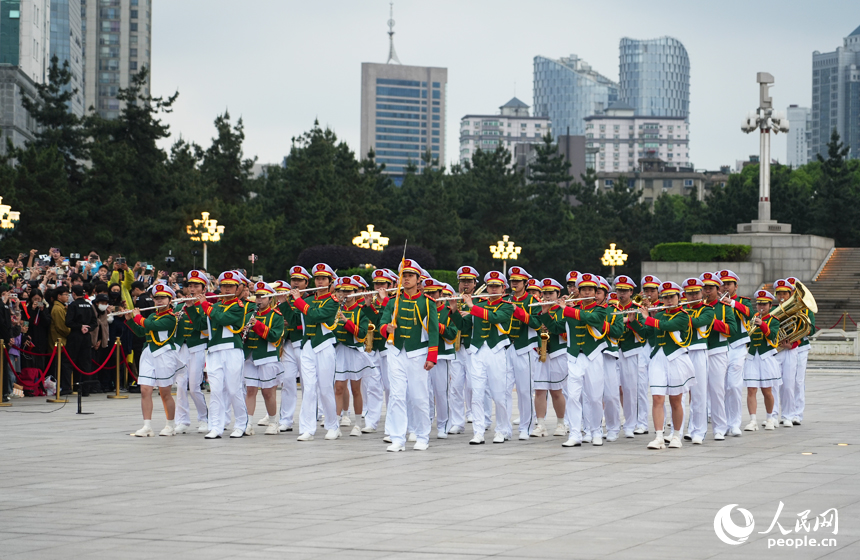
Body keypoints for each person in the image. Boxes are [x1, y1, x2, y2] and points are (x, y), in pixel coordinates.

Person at [379, 259, 439, 451]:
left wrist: (432, 357)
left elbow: (434, 331)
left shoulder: (427, 302)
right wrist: (386, 328)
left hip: (418, 353)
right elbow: (383, 321)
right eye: (403, 275)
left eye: (410, 276)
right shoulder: (393, 300)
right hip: (395, 351)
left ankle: (422, 436)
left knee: (419, 396)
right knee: (396, 396)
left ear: (418, 279)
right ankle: (397, 438)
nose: (406, 279)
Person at [637, 281, 696, 450]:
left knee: (675, 400)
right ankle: (659, 437)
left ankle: (676, 435)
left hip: (676, 358)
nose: (669, 301)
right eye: (666, 297)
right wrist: (635, 321)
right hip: (658, 358)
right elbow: (647, 334)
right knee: (657, 398)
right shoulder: (659, 315)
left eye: (672, 297)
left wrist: (648, 317)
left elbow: (668, 326)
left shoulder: (683, 315)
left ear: (679, 297)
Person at [461, 270, 512, 445]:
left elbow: (494, 317)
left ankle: (502, 430)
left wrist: (471, 307)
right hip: (477, 351)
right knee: (477, 394)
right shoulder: (478, 304)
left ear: (503, 288)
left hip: (496, 351)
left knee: (499, 395)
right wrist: (453, 309)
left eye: (496, 286)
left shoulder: (506, 305)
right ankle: (478, 431)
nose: (492, 290)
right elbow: (464, 326)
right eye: (490, 286)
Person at [290, 263, 339, 441]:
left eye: (323, 279)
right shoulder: (308, 299)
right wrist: (283, 302)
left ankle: (333, 425)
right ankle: (307, 428)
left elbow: (316, 315)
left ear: (330, 281)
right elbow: (294, 319)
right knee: (308, 388)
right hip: (307, 346)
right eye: (317, 278)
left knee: (325, 389)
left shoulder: (333, 302)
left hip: (324, 345)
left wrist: (298, 301)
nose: (319, 281)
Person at [197, 271, 249, 439]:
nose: (227, 290)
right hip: (214, 351)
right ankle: (215, 426)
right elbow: (200, 324)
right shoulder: (215, 305)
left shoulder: (238, 306)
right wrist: (193, 307)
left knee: (234, 390)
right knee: (216, 391)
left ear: (237, 288)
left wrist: (205, 305)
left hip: (232, 350)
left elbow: (223, 319)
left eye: (230, 286)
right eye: (224, 286)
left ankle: (241, 424)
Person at [127, 284, 180, 437]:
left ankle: (170, 425)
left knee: (165, 392)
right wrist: (130, 320)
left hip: (164, 355)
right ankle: (147, 426)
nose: (159, 301)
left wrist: (137, 317)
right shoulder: (151, 315)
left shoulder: (171, 318)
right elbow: (141, 331)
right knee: (145, 390)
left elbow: (152, 325)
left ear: (170, 300)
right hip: (149, 353)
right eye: (156, 298)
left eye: (162, 298)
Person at [560, 273, 607, 446]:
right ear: (578, 291)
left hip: (593, 356)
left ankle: (595, 431)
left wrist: (568, 309)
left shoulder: (600, 309)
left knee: (594, 397)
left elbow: (593, 319)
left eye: (590, 289)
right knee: (572, 396)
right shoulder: (571, 308)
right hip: (573, 356)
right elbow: (557, 327)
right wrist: (545, 313)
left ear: (595, 291)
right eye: (584, 290)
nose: (587, 292)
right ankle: (574, 433)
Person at [243, 282, 285, 436]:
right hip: (250, 356)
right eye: (257, 297)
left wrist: (257, 325)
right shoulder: (249, 315)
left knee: (268, 392)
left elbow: (274, 337)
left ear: (270, 298)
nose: (259, 300)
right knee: (250, 390)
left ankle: (273, 422)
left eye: (263, 297)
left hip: (267, 357)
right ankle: (248, 424)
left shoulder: (276, 316)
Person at [505, 266, 541, 440]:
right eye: (512, 281)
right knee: (503, 389)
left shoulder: (532, 300)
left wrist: (517, 311)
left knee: (524, 390)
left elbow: (536, 323)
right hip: (505, 346)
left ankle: (525, 427)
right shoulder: (506, 299)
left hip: (524, 347)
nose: (514, 284)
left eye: (518, 281)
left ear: (525, 283)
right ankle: (503, 428)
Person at [272, 267, 310, 432]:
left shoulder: (310, 299)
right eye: (293, 279)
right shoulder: (284, 298)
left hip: (303, 343)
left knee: (308, 383)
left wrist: (290, 321)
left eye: (299, 280)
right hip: (287, 344)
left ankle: (308, 418)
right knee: (287, 382)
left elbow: (305, 322)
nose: (295, 282)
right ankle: (286, 419)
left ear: (306, 283)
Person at [173, 270, 210, 434]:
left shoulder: (206, 306)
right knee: (180, 385)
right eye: (190, 286)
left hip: (197, 347)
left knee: (194, 386)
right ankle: (182, 421)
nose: (192, 289)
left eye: (196, 286)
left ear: (203, 288)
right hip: (182, 348)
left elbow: (202, 326)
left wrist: (191, 308)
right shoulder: (179, 305)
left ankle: (204, 419)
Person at [700, 272, 735, 440]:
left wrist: (712, 321)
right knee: (697, 391)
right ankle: (696, 428)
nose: (707, 291)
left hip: (718, 351)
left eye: (710, 288)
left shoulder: (724, 307)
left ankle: (720, 427)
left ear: (717, 289)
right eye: (705, 288)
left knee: (717, 390)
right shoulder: (695, 306)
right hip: (698, 351)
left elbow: (732, 330)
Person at [532, 278, 567, 438]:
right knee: (539, 390)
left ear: (558, 294)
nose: (547, 296)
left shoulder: (562, 309)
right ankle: (540, 424)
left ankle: (561, 423)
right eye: (544, 293)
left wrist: (547, 316)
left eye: (551, 293)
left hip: (558, 352)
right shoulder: (538, 308)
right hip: (541, 352)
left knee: (556, 391)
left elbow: (559, 328)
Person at [720, 269, 752, 437]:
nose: (725, 286)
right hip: (720, 347)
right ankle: (723, 423)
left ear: (735, 286)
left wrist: (731, 303)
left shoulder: (743, 301)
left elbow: (750, 314)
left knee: (734, 386)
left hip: (738, 346)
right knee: (722, 387)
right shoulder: (714, 302)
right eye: (723, 284)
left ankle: (735, 423)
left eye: (729, 284)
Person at [423, 278, 457, 439]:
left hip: (442, 355)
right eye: (427, 292)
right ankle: (425, 423)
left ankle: (443, 424)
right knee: (424, 392)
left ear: (440, 294)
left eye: (433, 293)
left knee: (441, 392)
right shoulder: (421, 308)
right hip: (422, 354)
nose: (430, 296)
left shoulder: (448, 311)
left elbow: (451, 335)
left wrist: (437, 325)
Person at [681, 278, 714, 445]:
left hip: (699, 351)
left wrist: (676, 317)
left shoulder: (708, 310)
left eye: (696, 292)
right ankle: (677, 431)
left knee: (699, 393)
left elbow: (697, 322)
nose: (693, 295)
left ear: (701, 293)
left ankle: (698, 431)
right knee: (679, 394)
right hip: (682, 352)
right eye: (689, 293)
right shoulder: (680, 309)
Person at [743, 290, 781, 431]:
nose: (761, 307)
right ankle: (753, 420)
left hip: (766, 357)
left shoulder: (774, 320)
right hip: (752, 356)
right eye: (759, 304)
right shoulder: (751, 319)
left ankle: (770, 417)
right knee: (751, 390)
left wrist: (762, 325)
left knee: (767, 391)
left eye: (764, 304)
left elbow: (772, 336)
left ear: (770, 306)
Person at [613, 276, 644, 438]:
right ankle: (614, 423)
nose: (621, 294)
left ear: (631, 292)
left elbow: (643, 331)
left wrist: (631, 321)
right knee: (612, 389)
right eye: (619, 290)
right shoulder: (611, 307)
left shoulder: (638, 308)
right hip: (613, 351)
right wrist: (623, 319)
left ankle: (631, 424)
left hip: (631, 351)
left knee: (630, 390)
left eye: (625, 291)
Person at [786, 276, 814, 426]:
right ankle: (786, 412)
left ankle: (798, 413)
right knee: (785, 381)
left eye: (795, 292)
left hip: (801, 347)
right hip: (786, 348)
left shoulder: (805, 308)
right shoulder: (783, 309)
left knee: (798, 381)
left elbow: (812, 329)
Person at [65, 285, 97, 396]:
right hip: (86, 337)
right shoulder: (89, 305)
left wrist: (79, 327)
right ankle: (86, 389)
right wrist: (88, 328)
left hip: (75, 336)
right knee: (86, 363)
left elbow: (68, 322)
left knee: (69, 362)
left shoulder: (73, 305)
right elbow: (95, 322)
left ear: (73, 294)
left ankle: (68, 387)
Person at [48, 288, 72, 394]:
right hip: (59, 342)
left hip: (61, 342)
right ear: (59, 296)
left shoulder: (62, 307)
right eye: (65, 294)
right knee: (61, 366)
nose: (67, 296)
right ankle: (62, 387)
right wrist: (72, 331)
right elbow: (62, 327)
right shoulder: (57, 309)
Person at [90, 293, 112, 393]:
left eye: (106, 303)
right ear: (97, 302)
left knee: (100, 364)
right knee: (91, 365)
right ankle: (91, 385)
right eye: (102, 303)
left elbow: (104, 325)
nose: (104, 305)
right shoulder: (91, 309)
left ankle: (99, 385)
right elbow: (94, 326)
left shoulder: (104, 312)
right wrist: (94, 342)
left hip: (101, 341)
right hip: (91, 342)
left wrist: (99, 341)